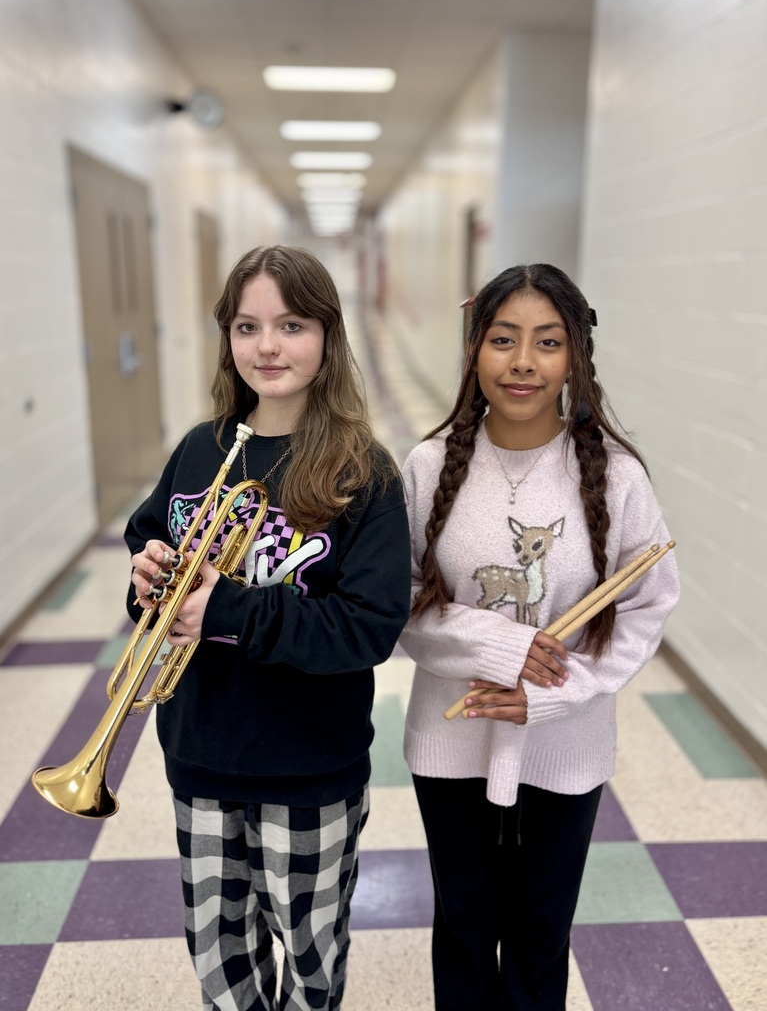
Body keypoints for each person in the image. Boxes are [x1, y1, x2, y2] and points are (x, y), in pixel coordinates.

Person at [125, 244, 411, 1011]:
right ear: (227, 339)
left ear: (328, 335)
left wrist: (223, 605)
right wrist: (148, 575)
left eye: (291, 324)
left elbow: (366, 629)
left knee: (311, 955)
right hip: (201, 752)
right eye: (246, 327)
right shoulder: (199, 448)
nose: (268, 347)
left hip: (307, 765)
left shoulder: (363, 472)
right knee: (219, 955)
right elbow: (148, 534)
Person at [398, 263, 679, 1011]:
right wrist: (502, 648)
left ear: (574, 358)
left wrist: (561, 692)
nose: (522, 362)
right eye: (502, 340)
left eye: (546, 343)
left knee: (540, 928)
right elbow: (396, 602)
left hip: (567, 741)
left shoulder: (617, 478)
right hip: (449, 742)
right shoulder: (428, 467)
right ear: (473, 351)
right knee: (461, 923)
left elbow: (648, 601)